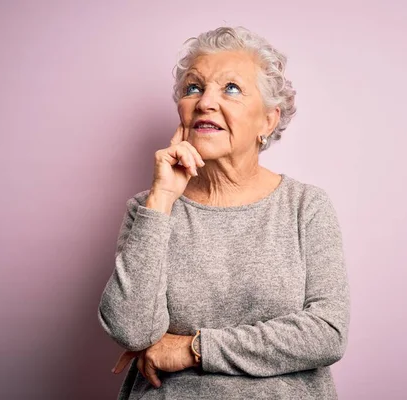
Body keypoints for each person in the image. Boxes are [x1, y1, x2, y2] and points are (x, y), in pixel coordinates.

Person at [98, 26, 350, 400]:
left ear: (268, 120)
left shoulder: (305, 206)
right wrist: (163, 197)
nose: (204, 102)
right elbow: (132, 331)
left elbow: (327, 333)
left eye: (230, 88)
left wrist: (193, 348)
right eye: (193, 88)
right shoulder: (148, 209)